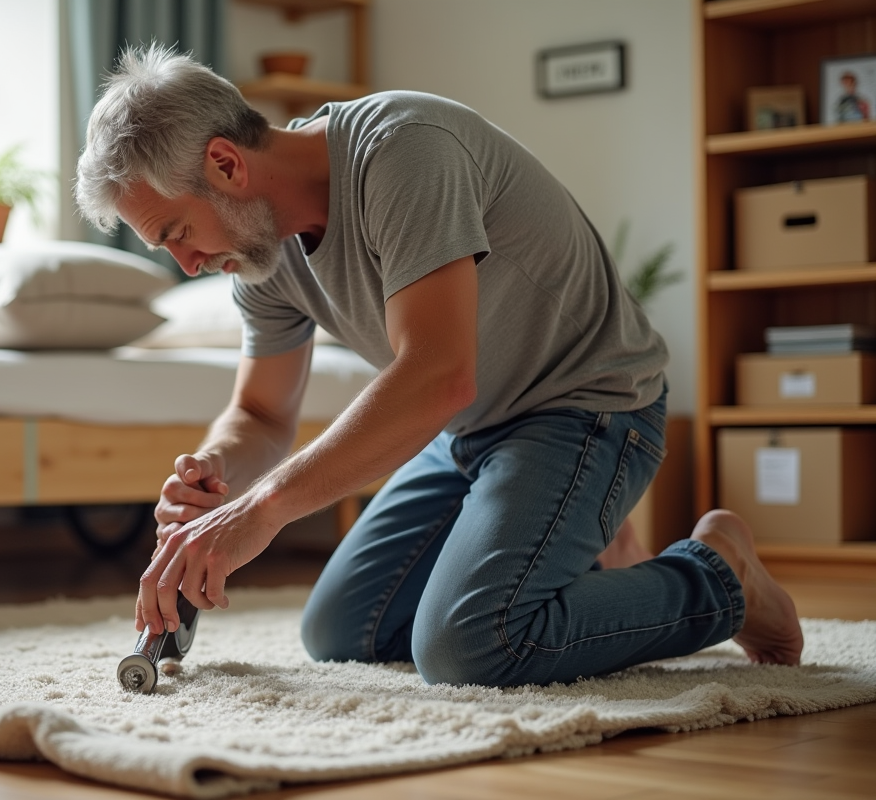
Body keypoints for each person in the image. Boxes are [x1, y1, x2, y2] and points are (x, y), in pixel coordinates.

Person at [75, 45, 803, 687]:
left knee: (469, 648)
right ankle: (580, 559)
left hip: (589, 406)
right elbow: (261, 414)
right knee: (341, 635)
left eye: (176, 232)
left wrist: (260, 513)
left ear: (226, 164)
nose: (188, 264)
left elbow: (437, 373)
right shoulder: (261, 259)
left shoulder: (402, 151)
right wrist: (216, 477)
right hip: (468, 434)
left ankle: (719, 572)